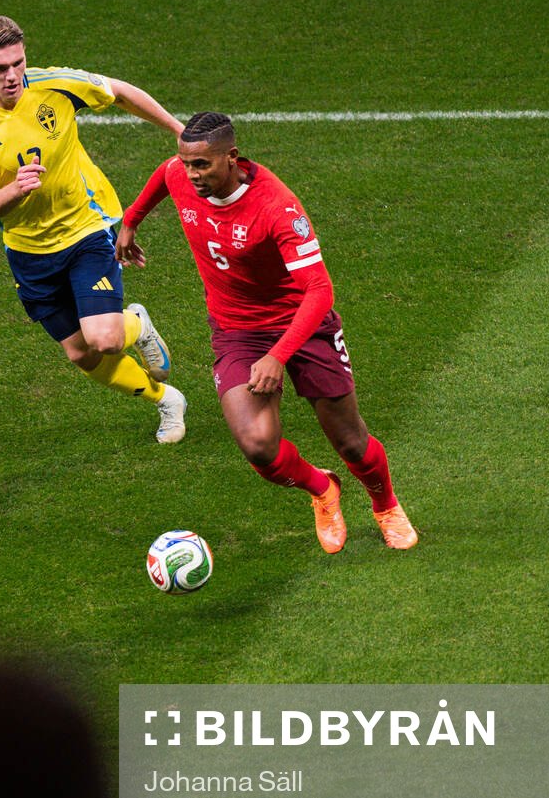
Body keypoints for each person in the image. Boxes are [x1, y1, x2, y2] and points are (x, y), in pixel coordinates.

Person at [116, 112, 418, 550]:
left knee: (351, 442)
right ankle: (322, 489)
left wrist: (278, 356)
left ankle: (385, 505)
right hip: (237, 330)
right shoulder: (181, 175)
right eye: (187, 163)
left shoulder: (276, 207)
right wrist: (131, 220)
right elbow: (165, 174)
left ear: (232, 157)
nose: (192, 174)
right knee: (259, 446)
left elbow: (320, 291)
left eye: (202, 165)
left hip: (302, 324)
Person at [0, 15, 190, 444]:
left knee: (105, 339)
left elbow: (119, 92)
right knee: (80, 353)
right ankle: (167, 400)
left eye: (18, 63)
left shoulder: (55, 85)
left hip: (85, 227)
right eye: (0, 68)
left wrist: (179, 132)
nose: (12, 76)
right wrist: (15, 189)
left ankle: (133, 325)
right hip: (27, 249)